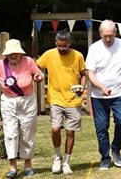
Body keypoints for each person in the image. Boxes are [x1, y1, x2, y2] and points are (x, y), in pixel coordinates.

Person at [0, 39, 44, 178]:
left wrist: (39, 77)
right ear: (6, 54)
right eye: (10, 53)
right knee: (10, 134)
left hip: (27, 102)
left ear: (20, 53)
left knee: (27, 134)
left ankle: (28, 164)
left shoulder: (28, 62)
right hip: (8, 102)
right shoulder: (0, 65)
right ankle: (13, 167)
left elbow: (39, 75)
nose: (13, 55)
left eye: (15, 52)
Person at [37, 30, 87, 175]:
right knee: (55, 129)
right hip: (56, 98)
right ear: (56, 43)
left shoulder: (78, 56)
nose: (61, 49)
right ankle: (57, 157)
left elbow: (84, 75)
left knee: (70, 131)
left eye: (64, 46)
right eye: (59, 46)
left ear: (69, 43)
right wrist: (37, 75)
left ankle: (66, 161)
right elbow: (36, 67)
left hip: (73, 100)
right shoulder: (49, 54)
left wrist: (81, 87)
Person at [85, 19, 121, 170]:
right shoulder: (94, 48)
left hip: (120, 93)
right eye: (105, 36)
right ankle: (105, 157)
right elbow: (90, 74)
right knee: (101, 127)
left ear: (115, 33)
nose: (108, 39)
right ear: (100, 34)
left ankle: (116, 149)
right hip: (99, 95)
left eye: (110, 35)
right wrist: (100, 86)